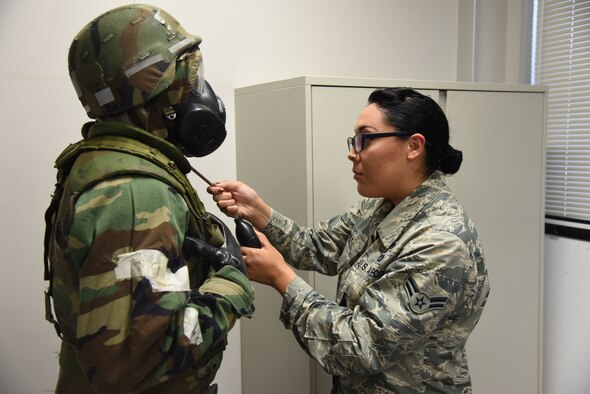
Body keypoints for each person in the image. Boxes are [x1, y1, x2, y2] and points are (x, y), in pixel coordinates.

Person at [209, 87, 491, 393]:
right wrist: (258, 210)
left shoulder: (440, 244)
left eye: (364, 139)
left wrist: (281, 278)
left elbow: (360, 347)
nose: (352, 151)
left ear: (414, 146)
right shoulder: (380, 205)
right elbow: (319, 247)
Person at [43, 4, 254, 393]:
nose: (200, 93)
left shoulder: (104, 160)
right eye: (189, 77)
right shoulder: (136, 191)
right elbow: (131, 364)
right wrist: (231, 284)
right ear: (150, 87)